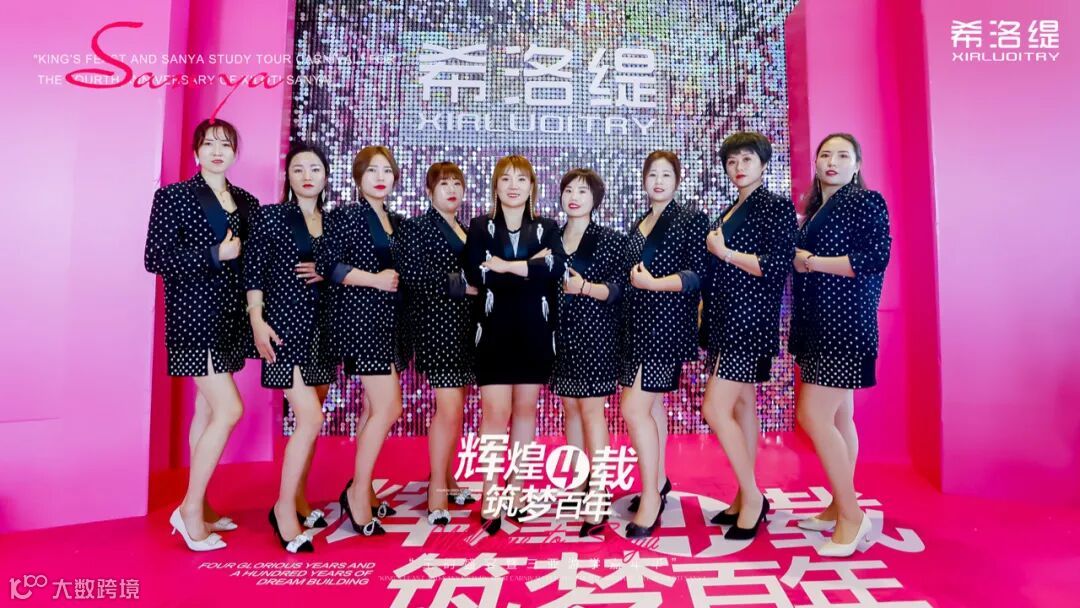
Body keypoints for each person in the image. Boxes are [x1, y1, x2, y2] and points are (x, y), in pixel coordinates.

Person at [144, 118, 256, 551]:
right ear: (196, 153)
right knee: (229, 408)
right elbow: (156, 258)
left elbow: (253, 261)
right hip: (193, 317)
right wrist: (215, 253)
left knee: (206, 411)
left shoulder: (246, 201)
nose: (217, 151)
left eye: (225, 144)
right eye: (209, 144)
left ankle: (202, 502)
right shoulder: (174, 196)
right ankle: (189, 510)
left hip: (230, 319)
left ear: (235, 153)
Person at [790, 133, 891, 557]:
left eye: (843, 155)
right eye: (825, 154)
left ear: (857, 164)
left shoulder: (866, 202)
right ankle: (838, 503)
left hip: (844, 325)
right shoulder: (816, 209)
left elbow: (873, 259)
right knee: (840, 416)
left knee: (813, 415)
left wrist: (810, 261)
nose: (832, 161)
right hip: (817, 325)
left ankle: (852, 515)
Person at [463, 155, 566, 534]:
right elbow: (476, 273)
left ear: (532, 187)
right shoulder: (480, 226)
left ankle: (518, 489)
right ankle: (491, 492)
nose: (513, 185)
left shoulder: (547, 227)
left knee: (525, 411)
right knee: (495, 412)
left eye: (521, 179)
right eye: (505, 178)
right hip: (492, 330)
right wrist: (528, 267)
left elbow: (555, 268)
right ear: (495, 186)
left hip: (534, 331)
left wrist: (504, 266)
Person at [701, 132, 796, 540]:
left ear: (763, 163)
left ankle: (754, 497)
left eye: (747, 159)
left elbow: (776, 266)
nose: (738, 167)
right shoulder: (731, 208)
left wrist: (724, 252)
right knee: (742, 407)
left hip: (748, 320)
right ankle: (744, 495)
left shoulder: (775, 206)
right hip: (724, 319)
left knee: (714, 408)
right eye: (732, 161)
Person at [619, 150, 709, 538]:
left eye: (666, 175)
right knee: (651, 406)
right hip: (634, 327)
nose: (658, 181)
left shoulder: (690, 219)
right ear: (644, 180)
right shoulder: (638, 223)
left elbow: (697, 275)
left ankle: (651, 498)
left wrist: (654, 284)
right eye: (652, 174)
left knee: (633, 407)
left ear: (677, 180)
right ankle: (658, 481)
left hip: (666, 327)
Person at [398, 162, 480, 526]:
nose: (452, 190)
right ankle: (436, 491)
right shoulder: (418, 228)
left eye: (457, 184)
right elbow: (413, 275)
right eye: (444, 184)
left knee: (456, 409)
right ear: (429, 191)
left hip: (466, 330)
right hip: (436, 327)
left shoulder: (466, 230)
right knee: (448, 409)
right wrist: (462, 285)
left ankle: (447, 478)